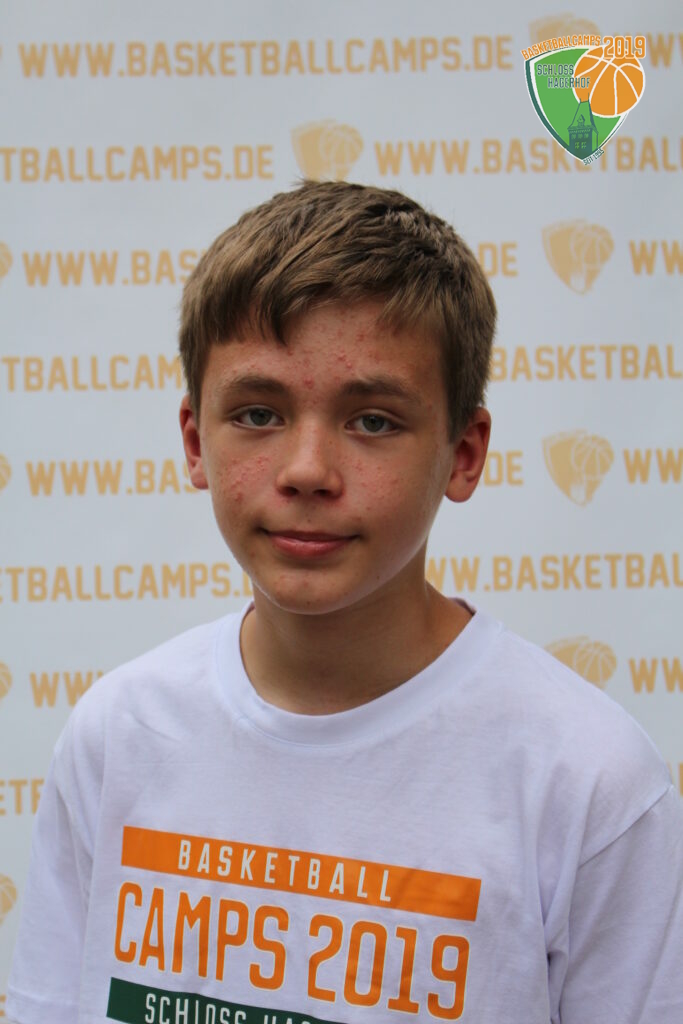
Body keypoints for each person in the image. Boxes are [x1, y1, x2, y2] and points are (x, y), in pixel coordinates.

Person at [7, 181, 682, 1024]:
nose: (307, 471)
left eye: (372, 422)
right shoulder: (118, 735)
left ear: (463, 454)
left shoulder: (587, 782)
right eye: (258, 413)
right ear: (194, 441)